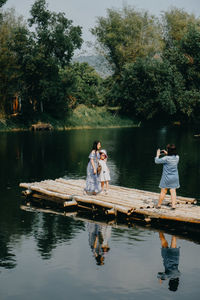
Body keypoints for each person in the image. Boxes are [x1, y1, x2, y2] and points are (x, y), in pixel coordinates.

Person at [155, 144, 180, 209]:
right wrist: (167, 153)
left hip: (166, 178)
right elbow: (172, 156)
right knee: (173, 191)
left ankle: (159, 205)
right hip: (175, 178)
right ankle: (173, 206)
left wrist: (157, 155)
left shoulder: (166, 158)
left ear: (169, 150)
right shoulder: (177, 157)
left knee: (163, 191)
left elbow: (156, 161)